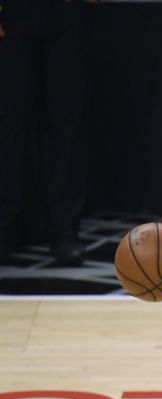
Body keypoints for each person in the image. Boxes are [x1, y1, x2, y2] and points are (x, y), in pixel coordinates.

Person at [0, 0, 95, 265]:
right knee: (10, 124)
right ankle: (6, 228)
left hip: (68, 11)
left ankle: (65, 232)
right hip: (13, 11)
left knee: (68, 124)